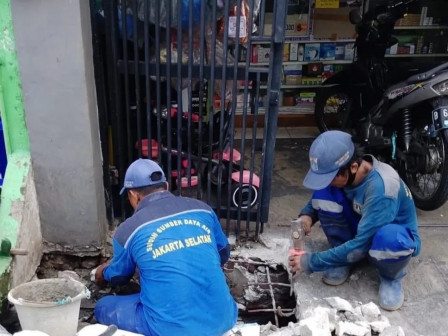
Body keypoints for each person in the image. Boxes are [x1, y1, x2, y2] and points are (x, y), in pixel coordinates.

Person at [94, 158, 237, 335]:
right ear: (167, 186)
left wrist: (103, 271)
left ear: (133, 195)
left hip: (171, 329)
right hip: (224, 318)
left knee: (103, 306)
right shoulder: (203, 209)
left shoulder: (128, 230)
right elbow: (223, 253)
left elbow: (119, 277)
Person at [289, 130, 421, 311]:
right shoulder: (346, 175)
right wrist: (308, 216)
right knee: (325, 193)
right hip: (362, 226)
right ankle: (343, 258)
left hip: (392, 236)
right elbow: (319, 197)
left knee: (389, 239)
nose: (328, 181)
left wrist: (310, 262)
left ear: (352, 167)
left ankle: (391, 277)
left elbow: (361, 245)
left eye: (331, 176)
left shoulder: (381, 188)